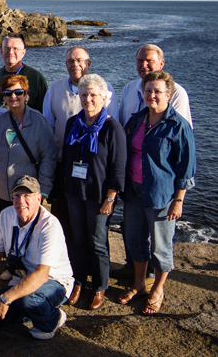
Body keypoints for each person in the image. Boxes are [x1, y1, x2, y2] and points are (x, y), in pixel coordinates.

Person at [117, 71, 195, 315]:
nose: (152, 95)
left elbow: (187, 166)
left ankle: (158, 289)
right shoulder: (136, 119)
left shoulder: (178, 126)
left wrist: (179, 199)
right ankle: (139, 284)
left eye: (158, 91)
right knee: (134, 240)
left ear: (169, 96)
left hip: (161, 195)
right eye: (148, 90)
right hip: (134, 191)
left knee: (160, 246)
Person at [61, 74, 126, 310]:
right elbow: (67, 159)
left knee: (97, 242)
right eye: (84, 94)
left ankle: (99, 286)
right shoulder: (73, 123)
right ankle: (78, 281)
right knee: (77, 240)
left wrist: (111, 198)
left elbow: (118, 167)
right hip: (75, 193)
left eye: (93, 95)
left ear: (103, 98)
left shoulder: (112, 127)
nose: (88, 99)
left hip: (99, 197)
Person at [0, 176, 74, 340]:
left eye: (27, 196)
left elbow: (42, 275)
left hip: (53, 282)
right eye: (16, 196)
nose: (20, 201)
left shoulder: (49, 225)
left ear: (39, 198)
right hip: (21, 280)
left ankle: (54, 318)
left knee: (30, 298)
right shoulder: (6, 215)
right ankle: (29, 311)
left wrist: (6, 299)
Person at [42, 46, 118, 244]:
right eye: (70, 61)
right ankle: (69, 265)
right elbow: (48, 127)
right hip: (64, 165)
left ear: (89, 63)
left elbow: (113, 128)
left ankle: (95, 270)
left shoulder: (105, 89)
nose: (75, 65)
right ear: (66, 65)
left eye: (80, 60)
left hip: (96, 171)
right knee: (64, 219)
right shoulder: (54, 89)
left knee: (96, 227)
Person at [0, 74, 57, 221]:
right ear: (4, 97)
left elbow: (49, 156)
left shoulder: (39, 121)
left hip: (26, 195)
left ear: (26, 94)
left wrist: (43, 189)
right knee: (6, 231)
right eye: (8, 93)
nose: (13, 96)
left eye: (18, 92)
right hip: (1, 192)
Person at [119, 44, 192, 128]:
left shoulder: (176, 92)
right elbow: (121, 123)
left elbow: (180, 130)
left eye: (149, 61)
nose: (144, 65)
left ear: (161, 64)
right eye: (140, 61)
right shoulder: (129, 88)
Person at [0, 33, 48, 117]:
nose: (10, 52)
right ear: (1, 52)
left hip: (26, 128)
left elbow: (45, 112)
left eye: (15, 49)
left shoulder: (36, 79)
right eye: (6, 49)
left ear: (23, 53)